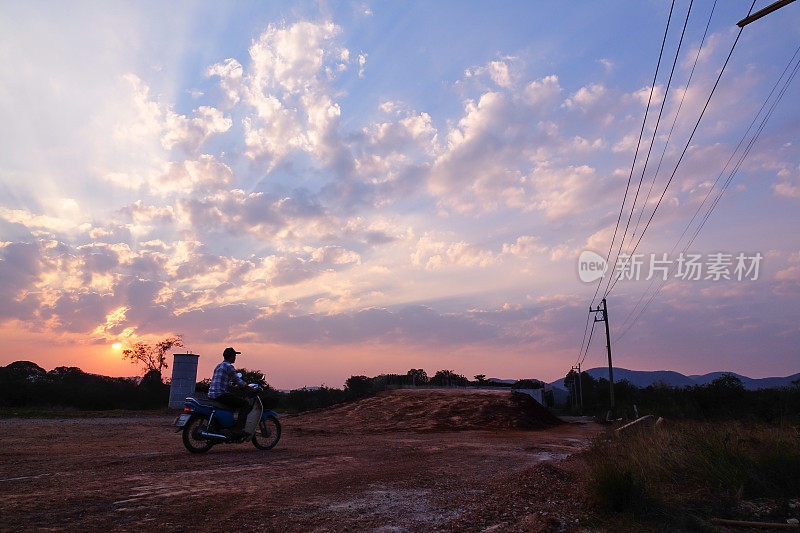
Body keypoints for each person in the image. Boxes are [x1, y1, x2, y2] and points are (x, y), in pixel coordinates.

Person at [208, 347, 251, 436]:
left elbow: (225, 382)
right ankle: (239, 429)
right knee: (245, 404)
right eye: (235, 356)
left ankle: (225, 425)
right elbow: (238, 380)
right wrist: (249, 387)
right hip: (220, 395)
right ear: (231, 356)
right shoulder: (229, 366)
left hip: (212, 394)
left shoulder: (218, 366)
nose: (235, 357)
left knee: (232, 401)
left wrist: (234, 387)